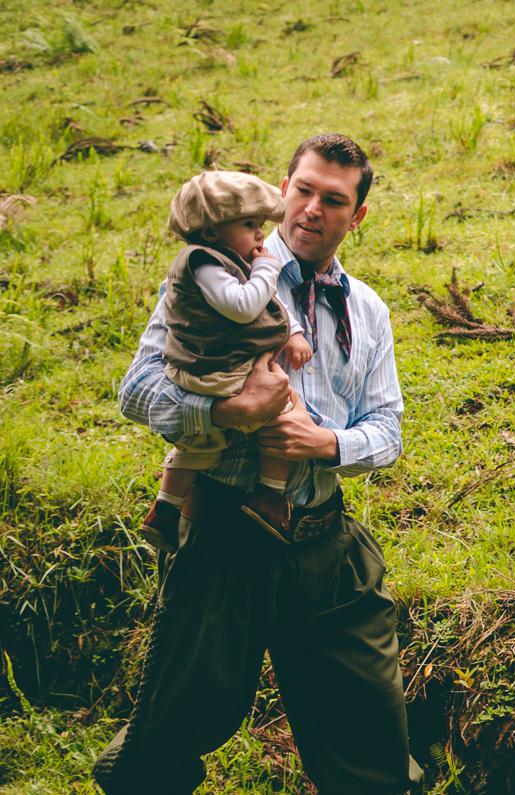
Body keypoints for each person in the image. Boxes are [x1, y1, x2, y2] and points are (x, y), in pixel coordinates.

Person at [94, 134, 423, 795]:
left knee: (374, 752)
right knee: (165, 740)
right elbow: (136, 388)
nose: (311, 209)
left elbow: (387, 429)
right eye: (302, 190)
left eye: (334, 200)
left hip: (327, 548)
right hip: (222, 544)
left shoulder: (368, 309)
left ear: (356, 216)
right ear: (280, 192)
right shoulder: (211, 276)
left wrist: (325, 443)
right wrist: (225, 415)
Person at [142, 170, 313, 552]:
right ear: (209, 231)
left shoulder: (228, 261)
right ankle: (270, 496)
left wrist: (294, 331)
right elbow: (244, 306)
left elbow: (271, 306)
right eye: (249, 224)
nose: (259, 234)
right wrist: (270, 268)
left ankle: (165, 509)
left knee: (201, 441)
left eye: (260, 224)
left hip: (220, 367)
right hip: (214, 370)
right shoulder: (203, 264)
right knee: (285, 413)